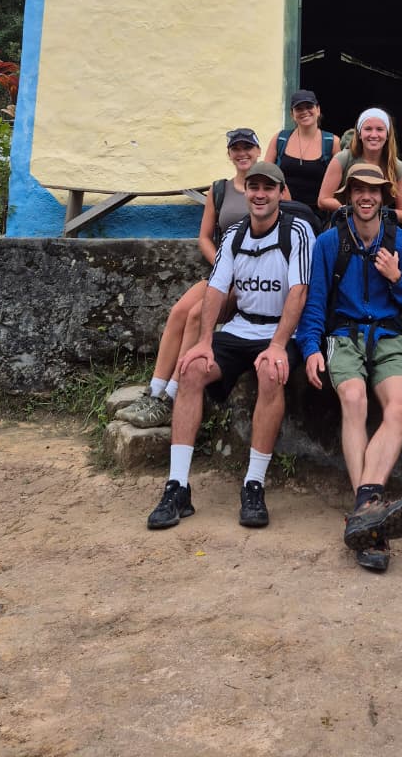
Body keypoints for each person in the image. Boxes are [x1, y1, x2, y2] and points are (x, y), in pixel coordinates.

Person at [146, 162, 314, 530]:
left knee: (271, 372)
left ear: (281, 193)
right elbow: (217, 288)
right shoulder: (235, 234)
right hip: (241, 328)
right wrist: (204, 341)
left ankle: (253, 484)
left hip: (281, 331)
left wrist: (278, 345)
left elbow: (299, 290)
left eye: (267, 188)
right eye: (253, 187)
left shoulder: (297, 230)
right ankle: (177, 487)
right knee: (190, 370)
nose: (259, 194)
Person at [297, 162, 402, 571]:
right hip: (344, 336)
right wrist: (310, 347)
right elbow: (316, 300)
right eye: (358, 190)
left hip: (388, 336)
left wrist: (397, 276)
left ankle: (363, 511)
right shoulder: (329, 242)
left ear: (385, 197)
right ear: (348, 195)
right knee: (353, 398)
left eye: (374, 191)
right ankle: (373, 518)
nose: (366, 198)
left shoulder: (401, 242)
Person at [119, 127, 266, 428]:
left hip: (251, 279)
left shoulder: (269, 188)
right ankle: (154, 390)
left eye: (247, 148)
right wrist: (223, 266)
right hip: (221, 273)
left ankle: (171, 397)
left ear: (258, 151)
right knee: (179, 312)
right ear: (229, 154)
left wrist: (242, 273)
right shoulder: (220, 189)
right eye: (236, 149)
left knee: (199, 316)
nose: (242, 153)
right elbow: (204, 237)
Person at [318, 107, 402, 224]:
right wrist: (353, 210)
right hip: (345, 222)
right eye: (368, 129)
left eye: (380, 129)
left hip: (381, 225)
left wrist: (375, 213)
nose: (374, 134)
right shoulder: (343, 158)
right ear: (359, 134)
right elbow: (323, 200)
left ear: (387, 135)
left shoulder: (398, 167)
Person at [264, 89, 340, 219]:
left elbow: (341, 183)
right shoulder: (280, 139)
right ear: (292, 114)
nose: (304, 111)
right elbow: (265, 175)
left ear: (318, 110)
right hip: (282, 215)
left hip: (318, 218)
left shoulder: (332, 142)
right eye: (299, 108)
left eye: (309, 107)